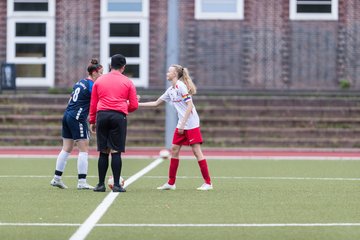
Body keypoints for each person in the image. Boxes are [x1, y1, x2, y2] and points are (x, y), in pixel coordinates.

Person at [138, 64, 213, 191]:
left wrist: (183, 125)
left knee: (196, 151)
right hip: (182, 123)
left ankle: (208, 183)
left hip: (191, 123)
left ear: (175, 74)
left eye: (169, 71)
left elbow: (190, 106)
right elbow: (156, 103)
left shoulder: (181, 86)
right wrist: (136, 104)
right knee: (174, 149)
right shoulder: (171, 90)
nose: (167, 73)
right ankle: (171, 183)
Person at [50, 59, 103, 190]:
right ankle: (82, 181)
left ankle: (56, 178)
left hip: (67, 115)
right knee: (84, 148)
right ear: (94, 72)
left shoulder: (79, 82)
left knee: (66, 148)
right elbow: (100, 99)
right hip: (77, 117)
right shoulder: (92, 85)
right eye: (101, 73)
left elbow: (70, 99)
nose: (102, 76)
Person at [89, 54, 138, 193]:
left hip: (102, 115)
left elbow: (93, 103)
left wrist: (92, 120)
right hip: (118, 116)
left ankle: (100, 184)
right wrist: (123, 107)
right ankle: (117, 185)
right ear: (123, 67)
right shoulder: (128, 82)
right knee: (116, 151)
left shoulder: (99, 80)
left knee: (103, 151)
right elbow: (134, 105)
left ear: (110, 66)